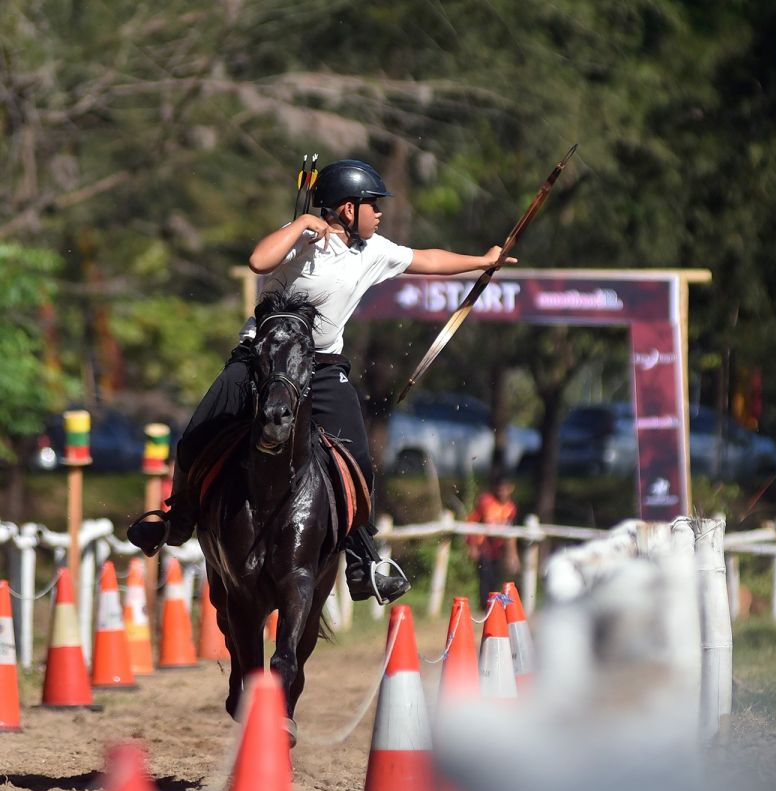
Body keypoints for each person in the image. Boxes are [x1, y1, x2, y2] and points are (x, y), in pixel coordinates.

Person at [127, 158, 514, 604]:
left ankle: (362, 560)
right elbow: (258, 260)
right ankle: (177, 519)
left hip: (322, 366)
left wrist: (484, 260)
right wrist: (302, 224)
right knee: (198, 432)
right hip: (261, 357)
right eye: (373, 204)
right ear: (348, 208)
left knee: (358, 456)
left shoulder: (373, 251)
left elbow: (426, 258)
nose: (380, 213)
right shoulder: (302, 238)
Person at [466, 474, 520, 610]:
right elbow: (472, 522)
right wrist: (472, 546)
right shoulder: (486, 502)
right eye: (500, 488)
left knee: (496, 578)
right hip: (483, 545)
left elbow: (510, 532)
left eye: (505, 489)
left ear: (511, 489)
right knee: (485, 576)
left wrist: (513, 555)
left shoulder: (511, 508)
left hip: (499, 548)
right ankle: (484, 607)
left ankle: (494, 607)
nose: (502, 492)